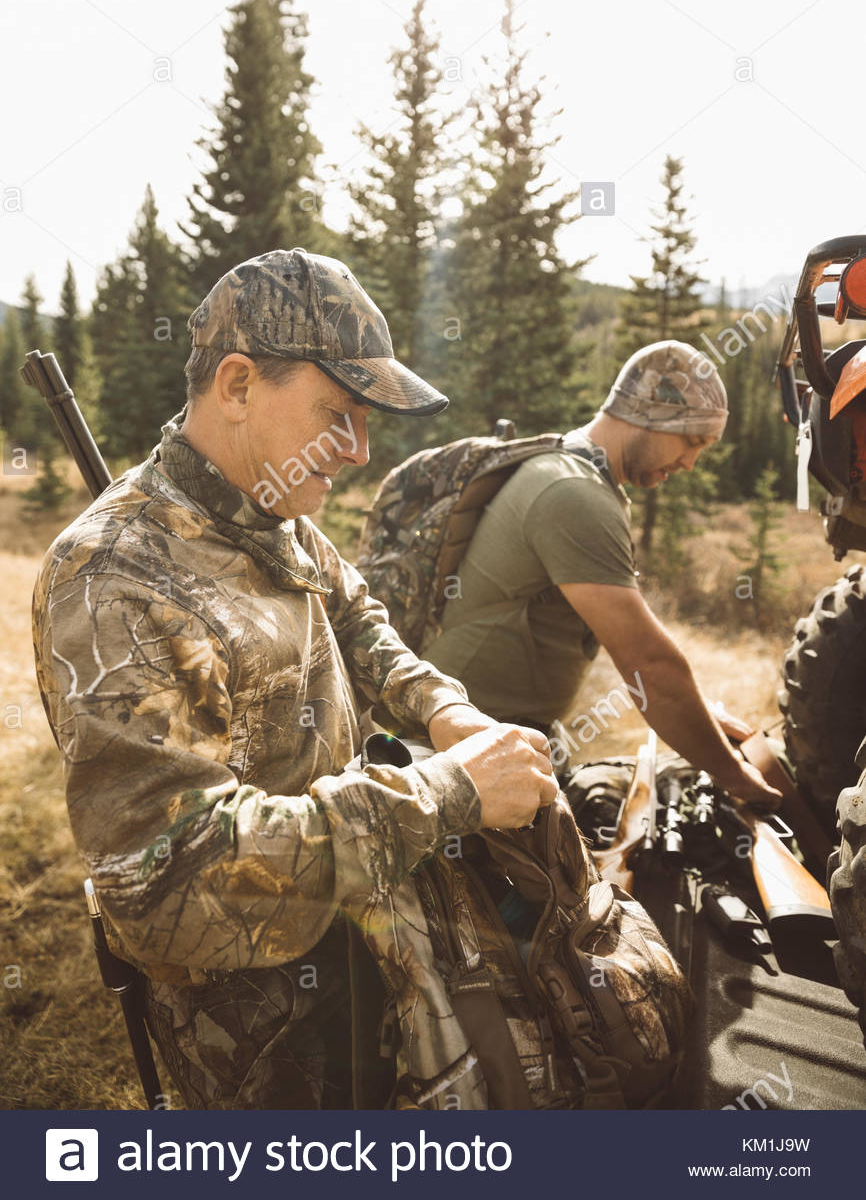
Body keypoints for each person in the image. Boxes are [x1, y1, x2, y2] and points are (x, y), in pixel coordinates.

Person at [31, 248, 557, 1109]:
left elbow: (359, 627)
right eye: (338, 413)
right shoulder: (112, 577)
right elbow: (167, 881)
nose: (357, 450)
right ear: (238, 385)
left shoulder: (273, 513)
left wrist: (445, 710)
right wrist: (447, 795)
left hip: (361, 947)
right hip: (257, 1028)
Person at [421, 340, 780, 809]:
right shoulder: (574, 493)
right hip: (455, 755)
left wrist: (702, 720)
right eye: (692, 441)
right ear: (646, 415)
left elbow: (616, 642)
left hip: (489, 742)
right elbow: (650, 666)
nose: (691, 463)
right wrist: (739, 779)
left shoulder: (580, 476)